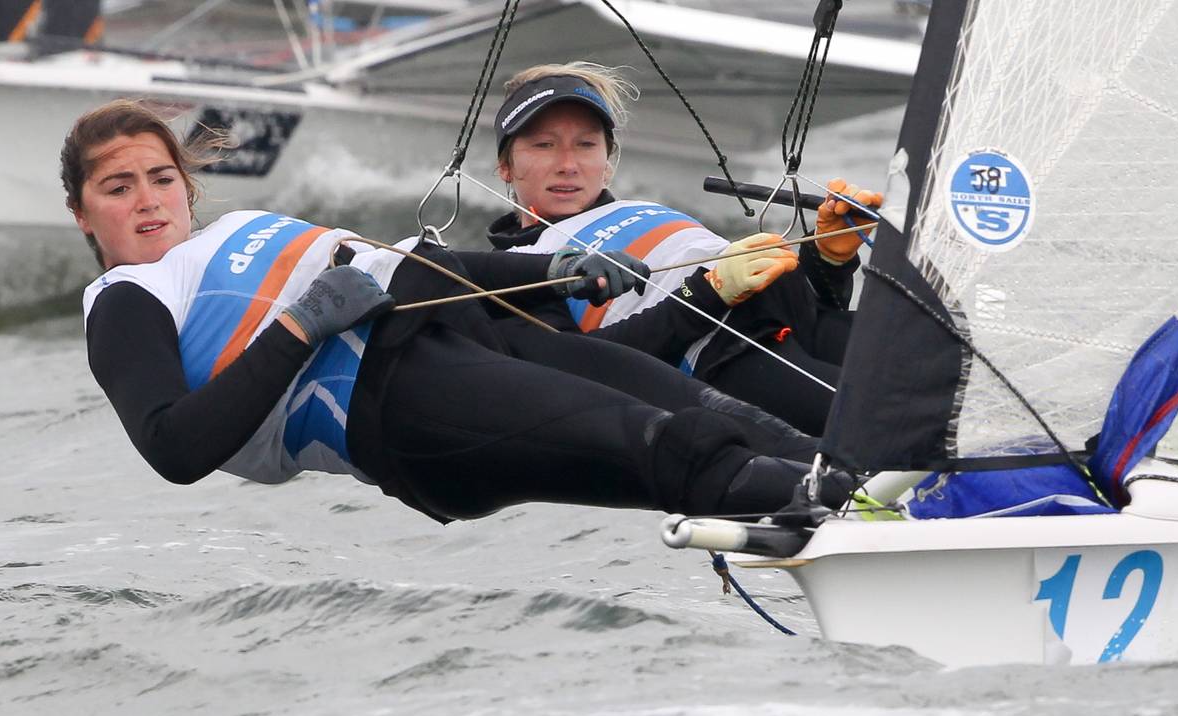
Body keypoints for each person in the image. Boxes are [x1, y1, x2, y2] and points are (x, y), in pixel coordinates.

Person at [68, 99, 857, 525]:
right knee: (657, 442)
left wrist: (556, 270)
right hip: (399, 406)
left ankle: (884, 484)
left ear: (186, 184)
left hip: (467, 332)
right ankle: (856, 520)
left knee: (699, 405)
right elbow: (174, 448)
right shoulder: (126, 301)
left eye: (160, 178)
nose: (147, 202)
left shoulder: (241, 229)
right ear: (82, 214)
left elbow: (420, 269)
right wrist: (301, 326)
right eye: (118, 188)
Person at [485, 63, 883, 436]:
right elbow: (582, 372)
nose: (568, 164)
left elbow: (816, 306)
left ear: (607, 161)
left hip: (795, 321)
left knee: (939, 366)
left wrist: (829, 259)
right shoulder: (510, 271)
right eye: (543, 145)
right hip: (726, 360)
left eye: (586, 144)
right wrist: (709, 291)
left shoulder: (640, 207)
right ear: (505, 166)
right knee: (899, 420)